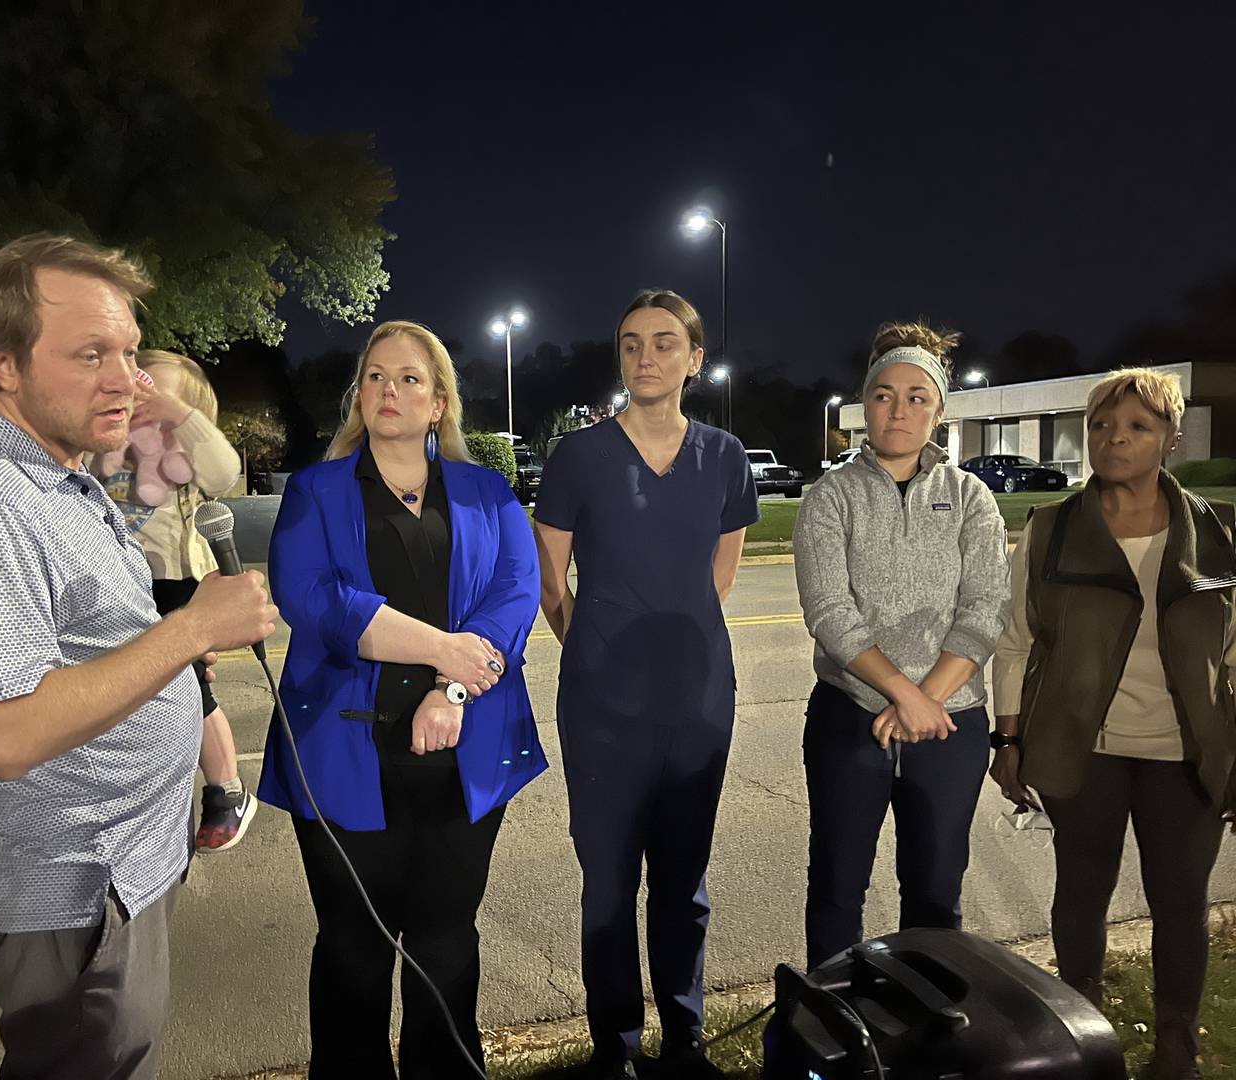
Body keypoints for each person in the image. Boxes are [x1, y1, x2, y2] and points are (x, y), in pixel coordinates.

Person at [0, 233, 278, 1079]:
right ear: (1, 362)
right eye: (89, 355)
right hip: (80, 889)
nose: (125, 379)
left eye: (128, 351)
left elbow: (78, 641)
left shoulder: (59, 470)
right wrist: (185, 634)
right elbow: (3, 731)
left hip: (124, 863)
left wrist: (160, 662)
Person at [259, 320, 546, 1080]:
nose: (390, 391)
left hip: (466, 751)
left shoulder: (487, 492)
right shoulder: (316, 493)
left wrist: (452, 685)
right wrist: (440, 647)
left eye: (410, 378)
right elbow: (314, 599)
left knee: (448, 943)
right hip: (343, 757)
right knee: (353, 947)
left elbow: (515, 597)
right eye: (377, 377)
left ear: (439, 401)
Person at [533, 289, 759, 1080]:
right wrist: (595, 650)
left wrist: (674, 643)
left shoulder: (724, 457)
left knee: (683, 881)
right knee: (608, 883)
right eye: (631, 344)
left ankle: (686, 1039)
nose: (646, 357)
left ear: (695, 359)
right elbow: (550, 580)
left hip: (696, 704)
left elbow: (719, 573)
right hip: (603, 709)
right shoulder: (580, 456)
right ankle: (615, 1047)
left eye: (665, 343)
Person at [991, 367, 1236, 1080]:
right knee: (1081, 893)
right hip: (1083, 752)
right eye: (1101, 426)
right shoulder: (1052, 529)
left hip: (1186, 756)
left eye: (1136, 427)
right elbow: (1017, 641)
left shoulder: (1218, 531)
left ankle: (1175, 1051)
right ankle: (1082, 1041)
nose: (1114, 439)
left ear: (1171, 439)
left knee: (1181, 902)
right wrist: (1007, 739)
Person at [792, 321, 1008, 973]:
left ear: (939, 411)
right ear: (865, 405)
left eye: (918, 396)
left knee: (935, 894)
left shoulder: (971, 498)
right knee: (837, 887)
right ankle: (836, 1028)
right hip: (849, 716)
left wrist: (926, 701)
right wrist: (903, 695)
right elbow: (830, 612)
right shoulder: (830, 496)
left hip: (949, 724)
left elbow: (984, 610)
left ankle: (927, 1032)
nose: (900, 409)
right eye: (884, 394)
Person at [92, 348, 256, 852]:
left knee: (191, 691)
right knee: (129, 690)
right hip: (119, 582)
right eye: (139, 386)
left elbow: (224, 472)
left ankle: (226, 789)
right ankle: (143, 798)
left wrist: (178, 415)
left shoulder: (188, 454)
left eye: (158, 392)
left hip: (180, 583)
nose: (146, 399)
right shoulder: (109, 446)